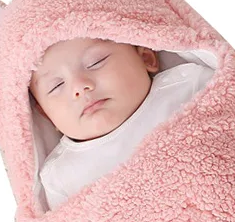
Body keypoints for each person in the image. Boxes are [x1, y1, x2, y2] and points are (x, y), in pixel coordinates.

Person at [28, 36, 213, 211]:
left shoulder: (186, 85)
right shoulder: (61, 176)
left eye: (96, 62)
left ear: (146, 58)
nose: (79, 87)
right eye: (56, 86)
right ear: (46, 115)